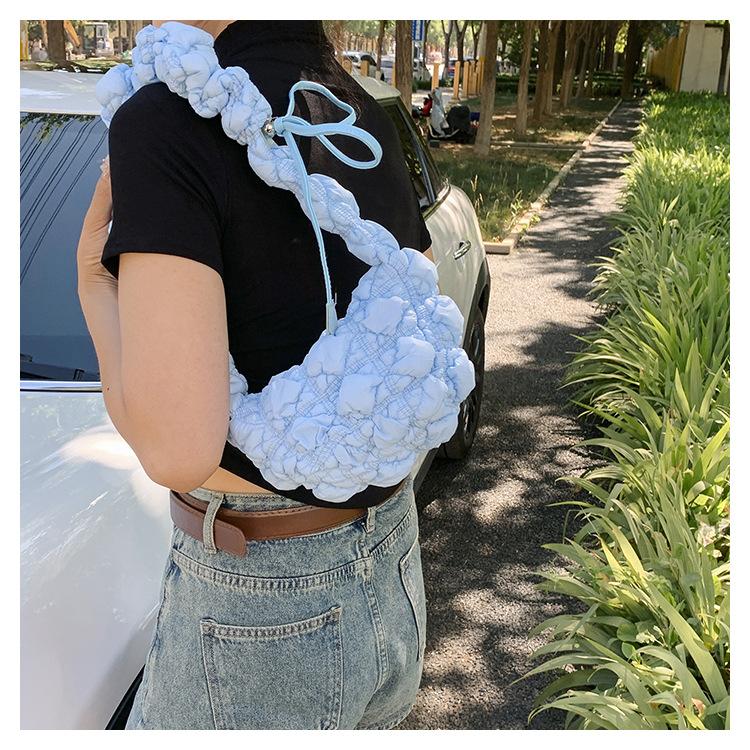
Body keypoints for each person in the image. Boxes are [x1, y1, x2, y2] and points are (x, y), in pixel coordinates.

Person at [77, 20, 433, 730]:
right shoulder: (353, 102)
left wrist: (93, 284)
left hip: (260, 608)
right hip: (392, 562)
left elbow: (178, 450)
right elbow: (410, 322)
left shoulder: (163, 120)